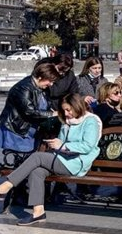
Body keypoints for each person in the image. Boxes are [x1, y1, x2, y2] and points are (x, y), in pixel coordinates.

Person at [0, 93, 101, 226]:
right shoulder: (67, 122)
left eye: (68, 110)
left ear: (77, 106)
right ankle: (38, 212)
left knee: (37, 157)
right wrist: (56, 143)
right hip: (62, 159)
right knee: (37, 171)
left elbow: (88, 146)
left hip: (77, 162)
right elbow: (61, 142)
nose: (66, 113)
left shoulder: (91, 121)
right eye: (64, 110)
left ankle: (5, 186)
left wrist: (63, 145)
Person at [0, 63, 60, 152]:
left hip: (31, 130)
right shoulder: (23, 87)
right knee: (15, 159)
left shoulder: (43, 88)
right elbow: (29, 111)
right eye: (50, 80)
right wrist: (52, 113)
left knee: (27, 158)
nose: (51, 84)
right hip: (17, 129)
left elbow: (46, 104)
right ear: (40, 77)